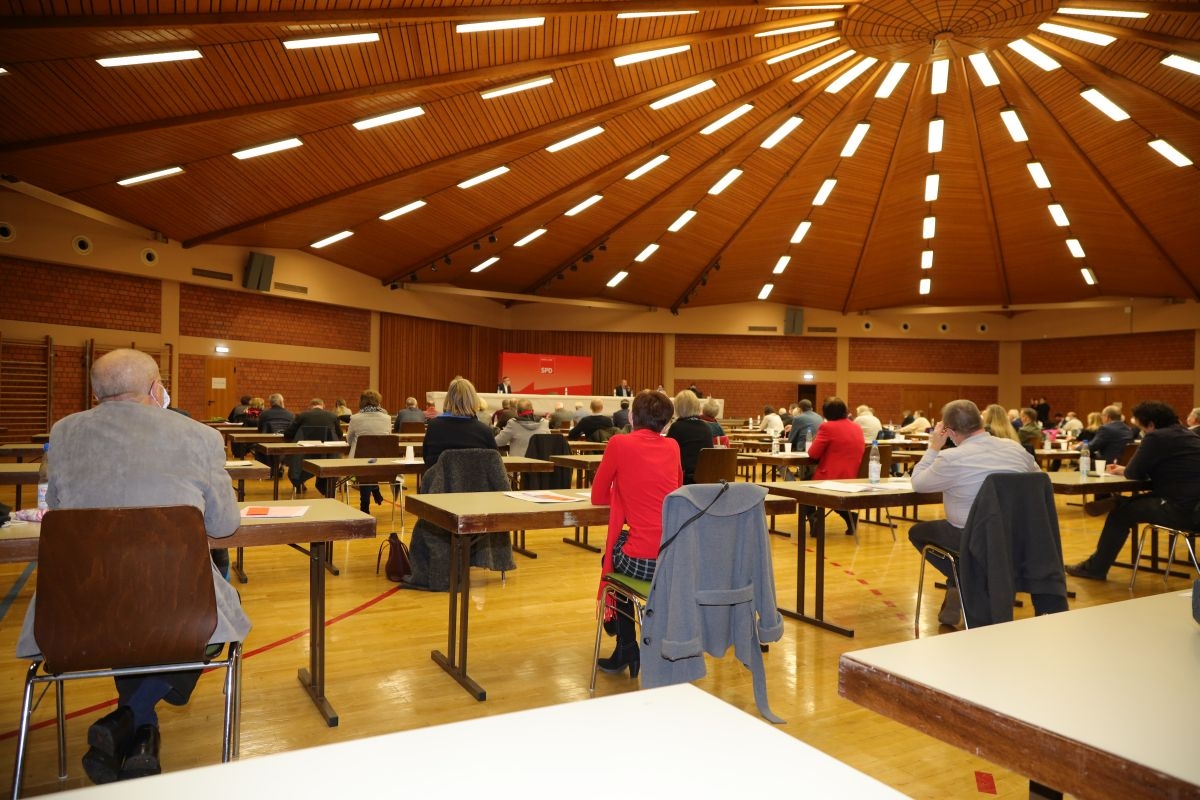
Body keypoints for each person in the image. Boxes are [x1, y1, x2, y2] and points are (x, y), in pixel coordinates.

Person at [16, 349, 250, 785]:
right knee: (190, 611)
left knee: (126, 613)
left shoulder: (63, 433)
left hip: (76, 613)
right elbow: (224, 525)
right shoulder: (200, 437)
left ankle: (138, 731)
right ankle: (135, 718)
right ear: (156, 389)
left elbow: (58, 508)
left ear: (95, 394)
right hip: (179, 613)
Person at [908, 399, 1039, 626]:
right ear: (980, 421)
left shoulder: (951, 458)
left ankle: (962, 580)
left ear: (949, 431)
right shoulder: (1015, 449)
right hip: (1015, 535)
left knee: (918, 532)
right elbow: (1038, 480)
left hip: (970, 535)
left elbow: (918, 483)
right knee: (967, 543)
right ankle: (963, 581)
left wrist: (933, 448)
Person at [591, 390, 682, 677]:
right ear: (666, 422)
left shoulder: (619, 443)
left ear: (632, 417)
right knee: (621, 549)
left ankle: (626, 644)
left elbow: (597, 496)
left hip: (642, 559)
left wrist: (622, 493)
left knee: (611, 558)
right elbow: (675, 493)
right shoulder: (673, 446)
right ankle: (625, 638)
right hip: (672, 557)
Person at [1066, 401, 1200, 581]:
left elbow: (1134, 473)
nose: (1142, 432)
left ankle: (1095, 568)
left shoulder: (1156, 437)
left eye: (1142, 428)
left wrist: (1126, 470)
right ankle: (1118, 502)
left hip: (1182, 510)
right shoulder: (1190, 435)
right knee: (1135, 505)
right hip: (1193, 506)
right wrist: (1126, 469)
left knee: (1120, 514)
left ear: (1151, 424)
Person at [805, 397, 865, 534]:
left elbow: (813, 454)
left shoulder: (827, 427)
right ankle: (849, 517)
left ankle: (815, 518)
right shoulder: (856, 427)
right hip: (853, 476)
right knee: (831, 493)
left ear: (826, 413)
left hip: (831, 477)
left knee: (803, 484)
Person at [423, 376, 497, 467]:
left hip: (441, 476)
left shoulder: (433, 427)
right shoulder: (485, 431)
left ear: (448, 399)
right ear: (473, 400)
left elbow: (426, 459)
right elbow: (495, 464)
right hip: (474, 476)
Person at [283, 398, 344, 495]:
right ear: (323, 406)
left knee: (298, 459)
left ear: (310, 406)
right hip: (328, 456)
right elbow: (339, 435)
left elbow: (288, 433)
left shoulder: (302, 415)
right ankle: (328, 488)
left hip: (305, 456)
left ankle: (299, 484)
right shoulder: (333, 416)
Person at [347, 389, 391, 512]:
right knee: (372, 461)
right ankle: (375, 489)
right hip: (381, 461)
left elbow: (349, 441)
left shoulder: (355, 418)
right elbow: (388, 438)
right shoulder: (387, 418)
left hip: (359, 462)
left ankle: (365, 505)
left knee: (365, 465)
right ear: (378, 401)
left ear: (361, 401)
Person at [666, 390, 713, 484]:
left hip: (684, 479)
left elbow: (667, 453)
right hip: (705, 479)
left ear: (678, 407)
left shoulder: (676, 427)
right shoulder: (706, 427)